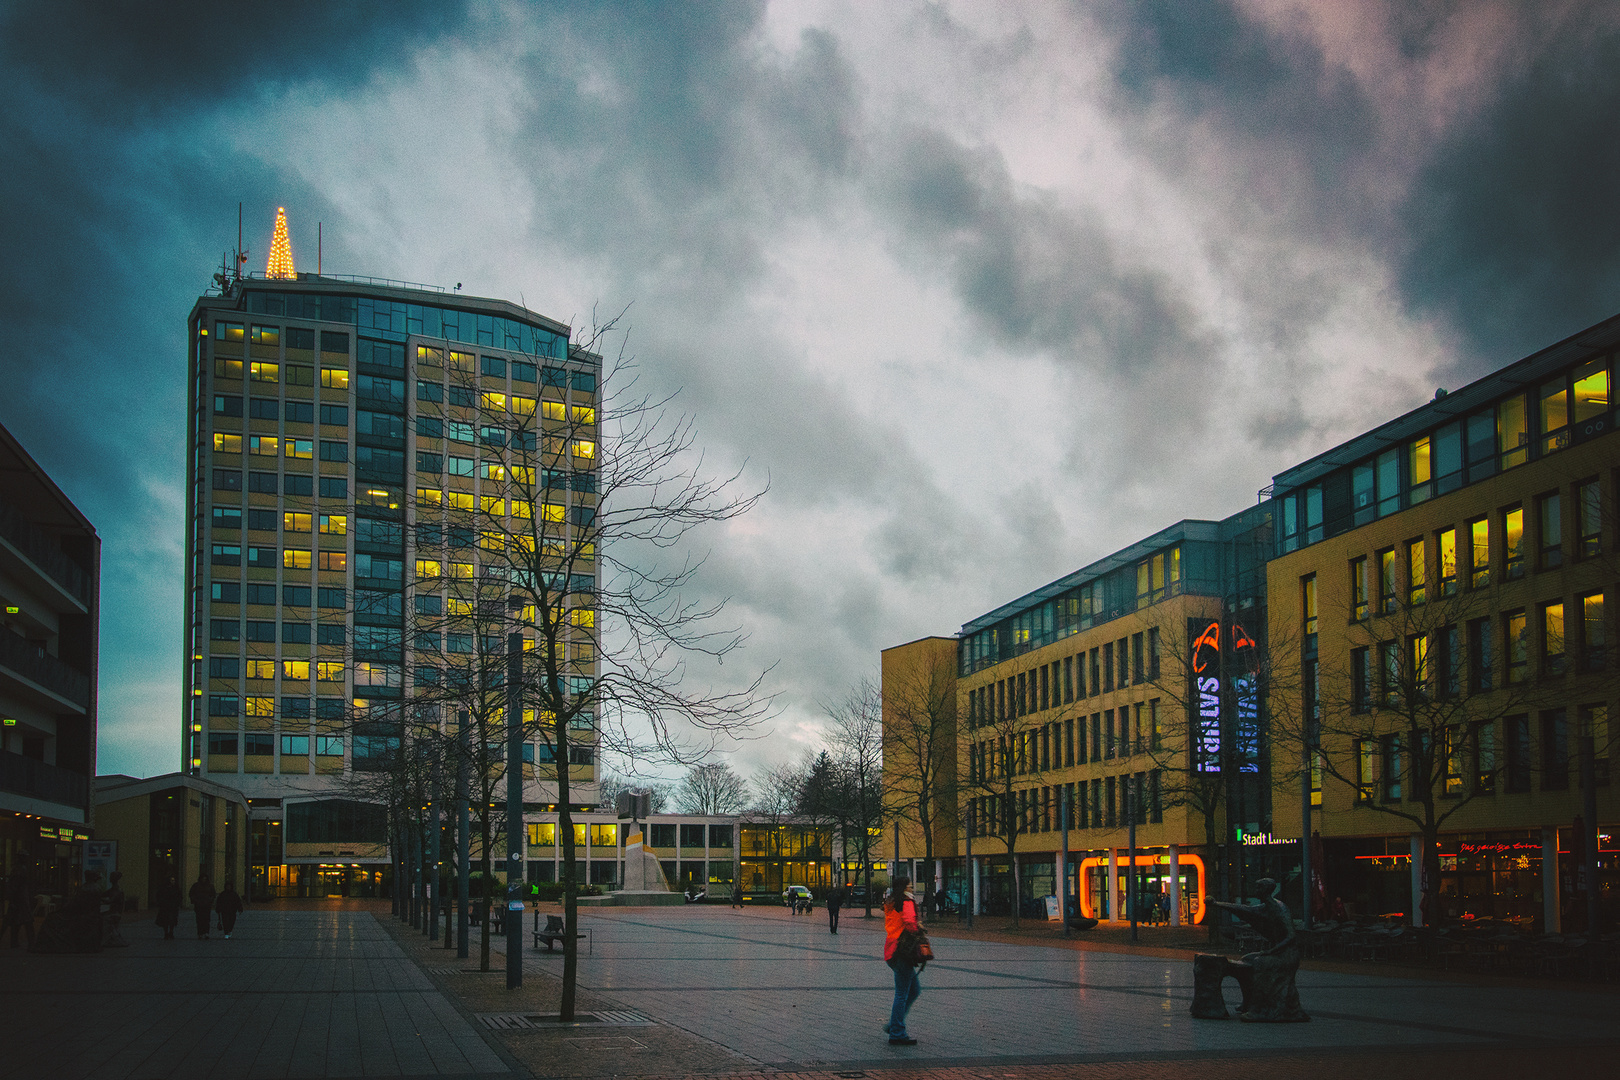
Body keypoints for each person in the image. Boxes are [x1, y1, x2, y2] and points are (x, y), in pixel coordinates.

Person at [882, 875, 922, 1046]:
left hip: (892, 950)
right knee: (903, 993)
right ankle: (897, 1032)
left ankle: (894, 1025)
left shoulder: (891, 903)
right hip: (903, 951)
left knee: (913, 990)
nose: (912, 889)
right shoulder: (906, 902)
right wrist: (918, 928)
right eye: (910, 886)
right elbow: (910, 923)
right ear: (904, 887)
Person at [3, 864, 35, 950]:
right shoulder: (19, 872)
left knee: (14, 922)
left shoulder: (18, 871)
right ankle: (31, 944)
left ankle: (15, 942)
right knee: (27, 922)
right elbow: (14, 888)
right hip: (20, 901)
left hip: (19, 901)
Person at [102, 871, 128, 947]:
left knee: (103, 920)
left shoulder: (117, 891)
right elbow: (103, 894)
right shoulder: (113, 889)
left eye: (111, 877)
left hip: (115, 913)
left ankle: (110, 939)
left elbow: (110, 900)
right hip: (113, 912)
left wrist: (101, 900)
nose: (110, 879)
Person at [189, 872, 216, 940]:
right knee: (199, 920)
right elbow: (191, 893)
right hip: (199, 905)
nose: (204, 880)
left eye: (205, 879)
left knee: (206, 920)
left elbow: (213, 894)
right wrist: (195, 900)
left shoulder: (210, 886)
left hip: (207, 905)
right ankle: (200, 933)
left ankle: (206, 933)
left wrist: (210, 900)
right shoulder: (196, 886)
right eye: (203, 879)